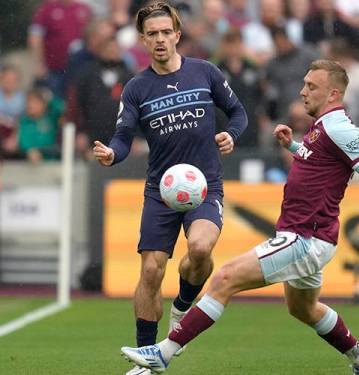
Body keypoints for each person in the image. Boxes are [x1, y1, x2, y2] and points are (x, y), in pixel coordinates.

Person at [120, 59, 359, 374]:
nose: (303, 92)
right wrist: (291, 144)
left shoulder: (339, 127)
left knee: (225, 278)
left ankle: (165, 352)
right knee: (303, 308)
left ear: (333, 94)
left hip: (305, 237)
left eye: (311, 86)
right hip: (311, 235)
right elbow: (320, 164)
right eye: (304, 83)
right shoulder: (323, 125)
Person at [91, 3, 248, 375]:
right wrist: (112, 154)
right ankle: (147, 356)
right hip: (161, 192)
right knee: (150, 271)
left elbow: (238, 112)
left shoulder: (205, 72)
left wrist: (231, 134)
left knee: (200, 247)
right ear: (143, 40)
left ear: (177, 34)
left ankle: (183, 302)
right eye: (152, 34)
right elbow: (123, 136)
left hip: (204, 186)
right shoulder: (137, 88)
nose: (160, 39)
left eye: (166, 32)